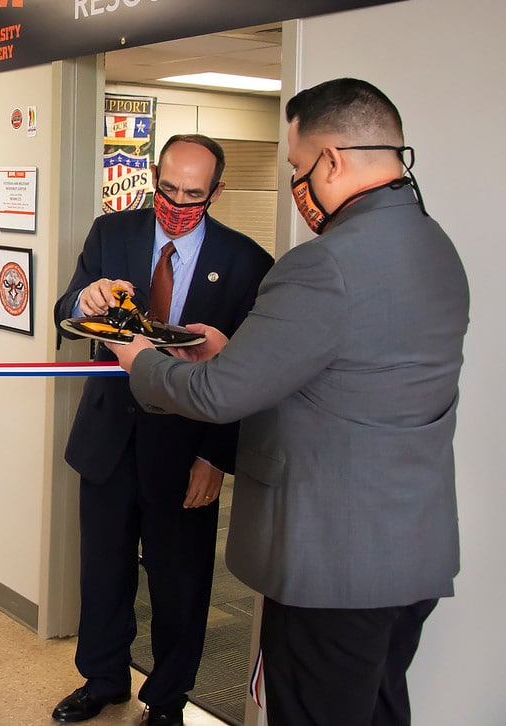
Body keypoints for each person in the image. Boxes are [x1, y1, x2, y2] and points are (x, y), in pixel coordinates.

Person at [108, 78, 468, 726]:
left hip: (330, 561)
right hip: (408, 552)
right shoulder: (433, 245)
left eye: (297, 168)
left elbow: (216, 397)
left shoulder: (323, 264)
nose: (298, 186)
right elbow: (353, 371)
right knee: (379, 709)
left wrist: (140, 360)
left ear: (329, 160)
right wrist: (237, 351)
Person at [52, 134, 273, 726]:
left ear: (216, 192)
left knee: (180, 583)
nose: (177, 203)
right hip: (108, 437)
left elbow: (246, 374)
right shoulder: (112, 232)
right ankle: (103, 680)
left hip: (186, 445)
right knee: (103, 571)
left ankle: (168, 699)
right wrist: (86, 297)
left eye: (193, 195)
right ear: (154, 177)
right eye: (168, 188)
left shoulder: (249, 261)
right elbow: (65, 314)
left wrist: (216, 458)